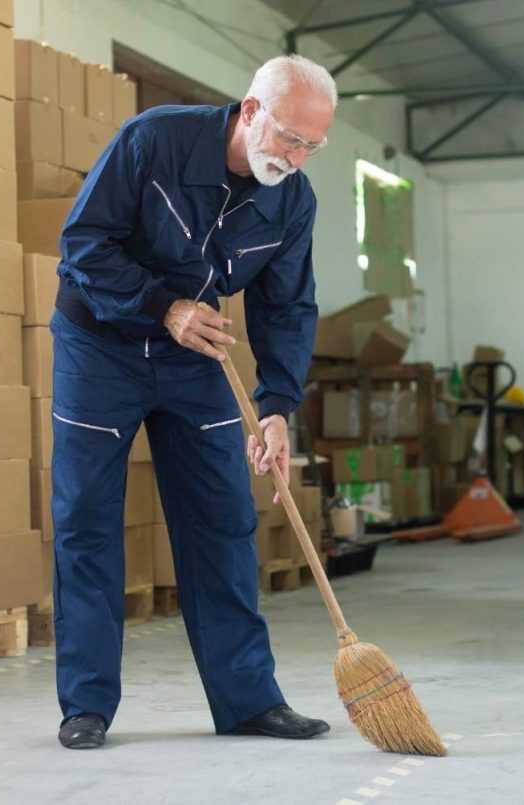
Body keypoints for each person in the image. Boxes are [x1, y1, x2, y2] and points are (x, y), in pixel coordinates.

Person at [51, 54, 337, 749]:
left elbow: (287, 305)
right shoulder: (154, 139)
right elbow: (84, 245)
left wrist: (275, 405)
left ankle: (246, 699)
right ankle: (86, 703)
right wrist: (162, 307)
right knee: (87, 516)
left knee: (222, 518)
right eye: (288, 137)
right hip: (101, 345)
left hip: (195, 354)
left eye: (311, 146)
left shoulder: (293, 201)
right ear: (249, 111)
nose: (295, 157)